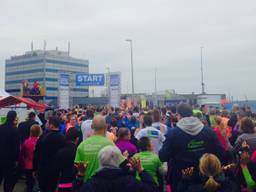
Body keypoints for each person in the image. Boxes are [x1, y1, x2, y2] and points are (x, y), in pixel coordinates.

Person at [159, 103, 225, 192]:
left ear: (179, 115)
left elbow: (163, 156)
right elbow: (221, 153)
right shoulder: (208, 132)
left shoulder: (173, 134)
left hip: (181, 180)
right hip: (206, 179)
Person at [78, 146, 158, 192]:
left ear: (100, 160)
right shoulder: (130, 182)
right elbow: (153, 189)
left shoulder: (92, 184)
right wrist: (141, 170)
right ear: (119, 160)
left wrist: (81, 175)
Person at [75, 115, 115, 181]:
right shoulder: (110, 144)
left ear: (92, 126)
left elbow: (77, 167)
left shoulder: (82, 145)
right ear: (105, 126)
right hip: (105, 184)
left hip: (87, 185)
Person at [33, 117, 66, 192]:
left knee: (43, 188)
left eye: (47, 122)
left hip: (43, 169)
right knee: (52, 188)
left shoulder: (43, 137)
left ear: (51, 125)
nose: (46, 124)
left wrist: (34, 168)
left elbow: (36, 153)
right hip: (55, 170)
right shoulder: (63, 138)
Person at [0, 111, 20, 192]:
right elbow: (16, 147)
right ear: (14, 118)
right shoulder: (15, 130)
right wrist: (16, 159)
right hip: (9, 160)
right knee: (8, 181)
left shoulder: (0, 127)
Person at [20, 124, 42, 192]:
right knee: (38, 185)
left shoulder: (26, 141)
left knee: (29, 184)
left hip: (28, 165)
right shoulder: (42, 141)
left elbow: (22, 154)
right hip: (39, 166)